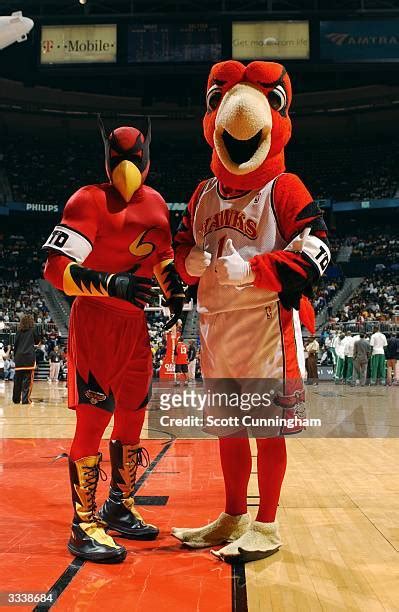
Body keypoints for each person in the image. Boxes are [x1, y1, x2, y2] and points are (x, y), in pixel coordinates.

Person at [172, 60, 330, 563]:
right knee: (229, 428)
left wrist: (259, 268)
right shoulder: (201, 193)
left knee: (267, 429)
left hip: (267, 328)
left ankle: (267, 523)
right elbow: (180, 253)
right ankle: (234, 513)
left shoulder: (285, 188)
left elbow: (319, 251)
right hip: (216, 328)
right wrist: (187, 263)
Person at [43, 120, 184, 564]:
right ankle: (83, 524)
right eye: (119, 157)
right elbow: (55, 269)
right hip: (96, 323)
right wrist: (110, 284)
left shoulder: (158, 204)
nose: (126, 166)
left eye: (133, 158)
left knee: (132, 419)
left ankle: (118, 506)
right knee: (93, 422)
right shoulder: (88, 200)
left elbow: (161, 256)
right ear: (107, 157)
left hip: (135, 328)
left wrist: (175, 290)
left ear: (146, 159)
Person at [12, 315, 40, 404]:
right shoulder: (33, 330)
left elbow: (15, 345)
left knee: (17, 380)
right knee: (27, 380)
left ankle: (16, 399)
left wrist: (15, 357)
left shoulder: (18, 332)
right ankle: (25, 400)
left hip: (19, 357)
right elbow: (38, 341)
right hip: (29, 357)